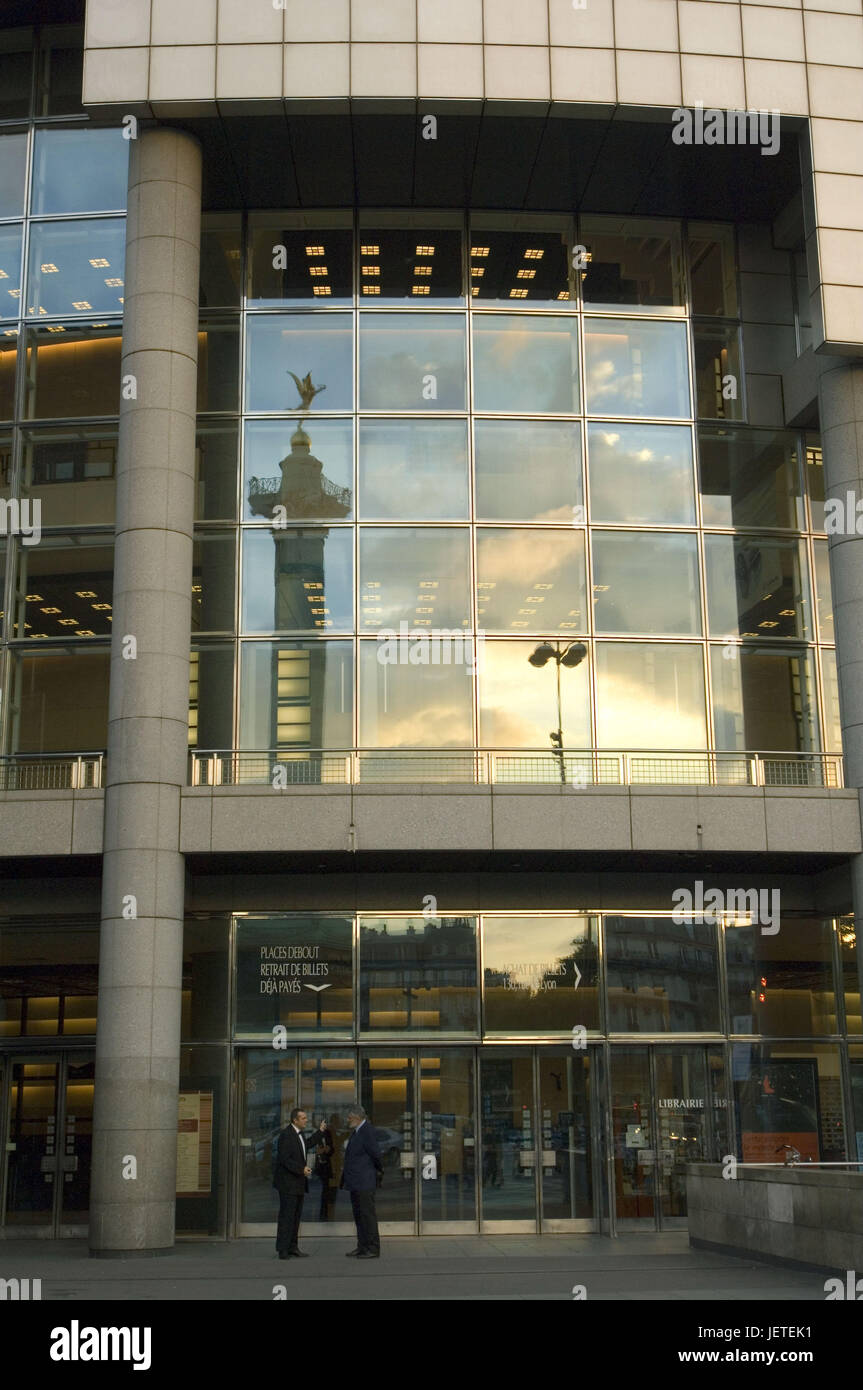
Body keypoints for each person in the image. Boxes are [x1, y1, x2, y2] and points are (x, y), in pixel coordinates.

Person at [272, 1107, 328, 1259]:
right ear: (294, 1120)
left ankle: (293, 1247)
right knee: (287, 1217)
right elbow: (284, 1159)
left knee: (296, 1217)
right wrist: (301, 1169)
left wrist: (320, 1131)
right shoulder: (286, 1135)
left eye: (305, 1117)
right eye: (303, 1118)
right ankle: (283, 1249)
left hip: (298, 1183)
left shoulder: (300, 1134)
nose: (306, 1120)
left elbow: (308, 1144)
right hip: (288, 1183)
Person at [340, 1103, 383, 1260]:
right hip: (356, 1182)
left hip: (365, 1181)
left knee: (367, 1216)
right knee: (359, 1216)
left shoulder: (367, 1131)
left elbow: (376, 1155)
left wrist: (375, 1172)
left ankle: (372, 1248)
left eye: (349, 1117)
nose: (347, 1119)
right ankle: (362, 1246)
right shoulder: (357, 1131)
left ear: (357, 1116)